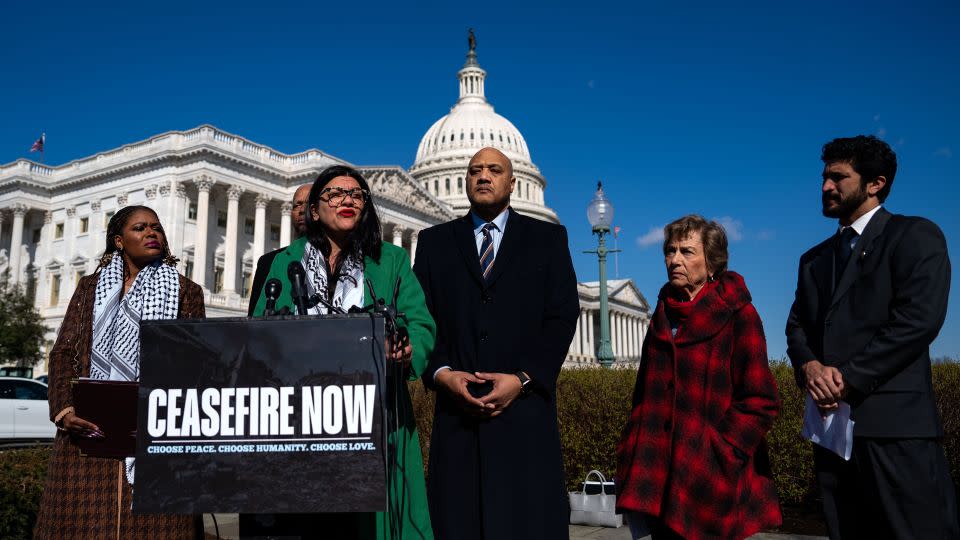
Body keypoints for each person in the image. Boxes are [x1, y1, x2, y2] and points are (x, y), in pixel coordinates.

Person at [249, 165, 436, 539]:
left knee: (369, 525)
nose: (347, 199)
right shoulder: (285, 262)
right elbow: (259, 333)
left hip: (376, 417)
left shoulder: (392, 260)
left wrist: (406, 349)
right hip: (299, 420)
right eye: (334, 194)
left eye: (356, 194)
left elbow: (421, 324)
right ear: (314, 210)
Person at [786, 135, 958, 539]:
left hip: (897, 431)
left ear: (875, 183)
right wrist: (810, 367)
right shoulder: (812, 260)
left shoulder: (915, 235)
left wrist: (847, 378)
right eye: (824, 177)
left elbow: (918, 321)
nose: (826, 186)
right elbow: (797, 327)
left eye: (838, 177)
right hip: (831, 434)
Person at [413, 147, 580, 540]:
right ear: (464, 180)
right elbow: (420, 320)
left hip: (525, 415)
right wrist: (441, 374)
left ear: (512, 183)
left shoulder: (547, 238)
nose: (483, 176)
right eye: (474, 170)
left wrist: (523, 378)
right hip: (458, 418)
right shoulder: (435, 242)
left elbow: (561, 317)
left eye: (494, 169)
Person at [34, 205, 205, 539]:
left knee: (153, 528)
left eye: (156, 227)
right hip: (87, 429)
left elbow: (194, 362)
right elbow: (63, 351)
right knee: (84, 525)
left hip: (154, 430)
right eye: (140, 228)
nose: (152, 233)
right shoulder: (89, 289)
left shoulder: (186, 291)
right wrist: (63, 408)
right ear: (118, 241)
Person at [616, 215, 781, 540]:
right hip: (658, 477)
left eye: (687, 251)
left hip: (712, 479)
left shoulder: (740, 315)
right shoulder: (662, 314)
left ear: (712, 264)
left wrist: (719, 453)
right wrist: (631, 449)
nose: (675, 259)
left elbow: (761, 400)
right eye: (670, 250)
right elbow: (644, 398)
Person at [247, 182, 311, 314]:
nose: (302, 210)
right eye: (297, 205)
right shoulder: (268, 262)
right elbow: (254, 318)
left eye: (309, 204)